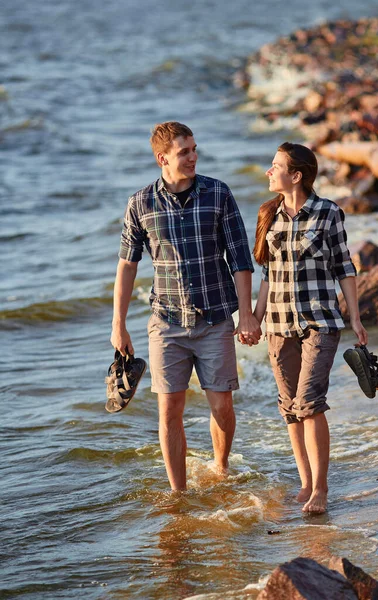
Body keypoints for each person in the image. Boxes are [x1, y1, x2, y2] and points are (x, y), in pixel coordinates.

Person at [110, 121, 261, 491]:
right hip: (166, 323)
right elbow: (127, 265)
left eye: (194, 149)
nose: (193, 157)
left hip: (215, 319)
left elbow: (240, 258)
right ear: (163, 158)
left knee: (221, 405)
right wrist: (119, 324)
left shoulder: (218, 193)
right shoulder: (140, 204)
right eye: (184, 152)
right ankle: (179, 494)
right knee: (168, 411)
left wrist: (247, 316)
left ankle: (221, 468)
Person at [250, 142, 367, 514]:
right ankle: (304, 481)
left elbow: (344, 267)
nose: (269, 172)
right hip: (279, 325)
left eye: (275, 166)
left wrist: (356, 317)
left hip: (320, 322)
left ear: (296, 175)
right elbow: (268, 275)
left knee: (310, 404)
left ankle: (321, 489)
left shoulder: (329, 213)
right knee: (290, 408)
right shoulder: (269, 214)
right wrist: (254, 316)